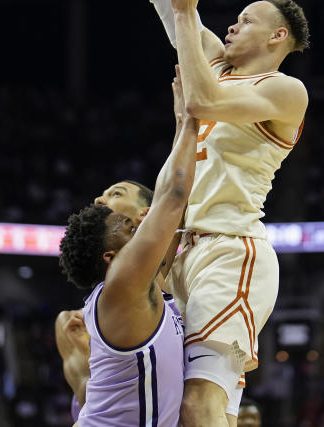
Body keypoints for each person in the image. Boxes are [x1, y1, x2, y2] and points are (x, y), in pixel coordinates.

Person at [96, 0, 310, 427]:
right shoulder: (212, 60)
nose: (233, 25)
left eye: (246, 21)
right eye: (233, 20)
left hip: (228, 249)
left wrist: (190, 18)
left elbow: (203, 100)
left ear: (276, 39)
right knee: (189, 409)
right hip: (181, 253)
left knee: (199, 406)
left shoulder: (284, 92)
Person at [58, 69, 197, 426]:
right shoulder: (123, 284)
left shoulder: (150, 282)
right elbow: (174, 196)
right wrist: (187, 121)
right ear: (111, 255)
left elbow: (175, 206)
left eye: (115, 197)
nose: (127, 223)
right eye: (122, 226)